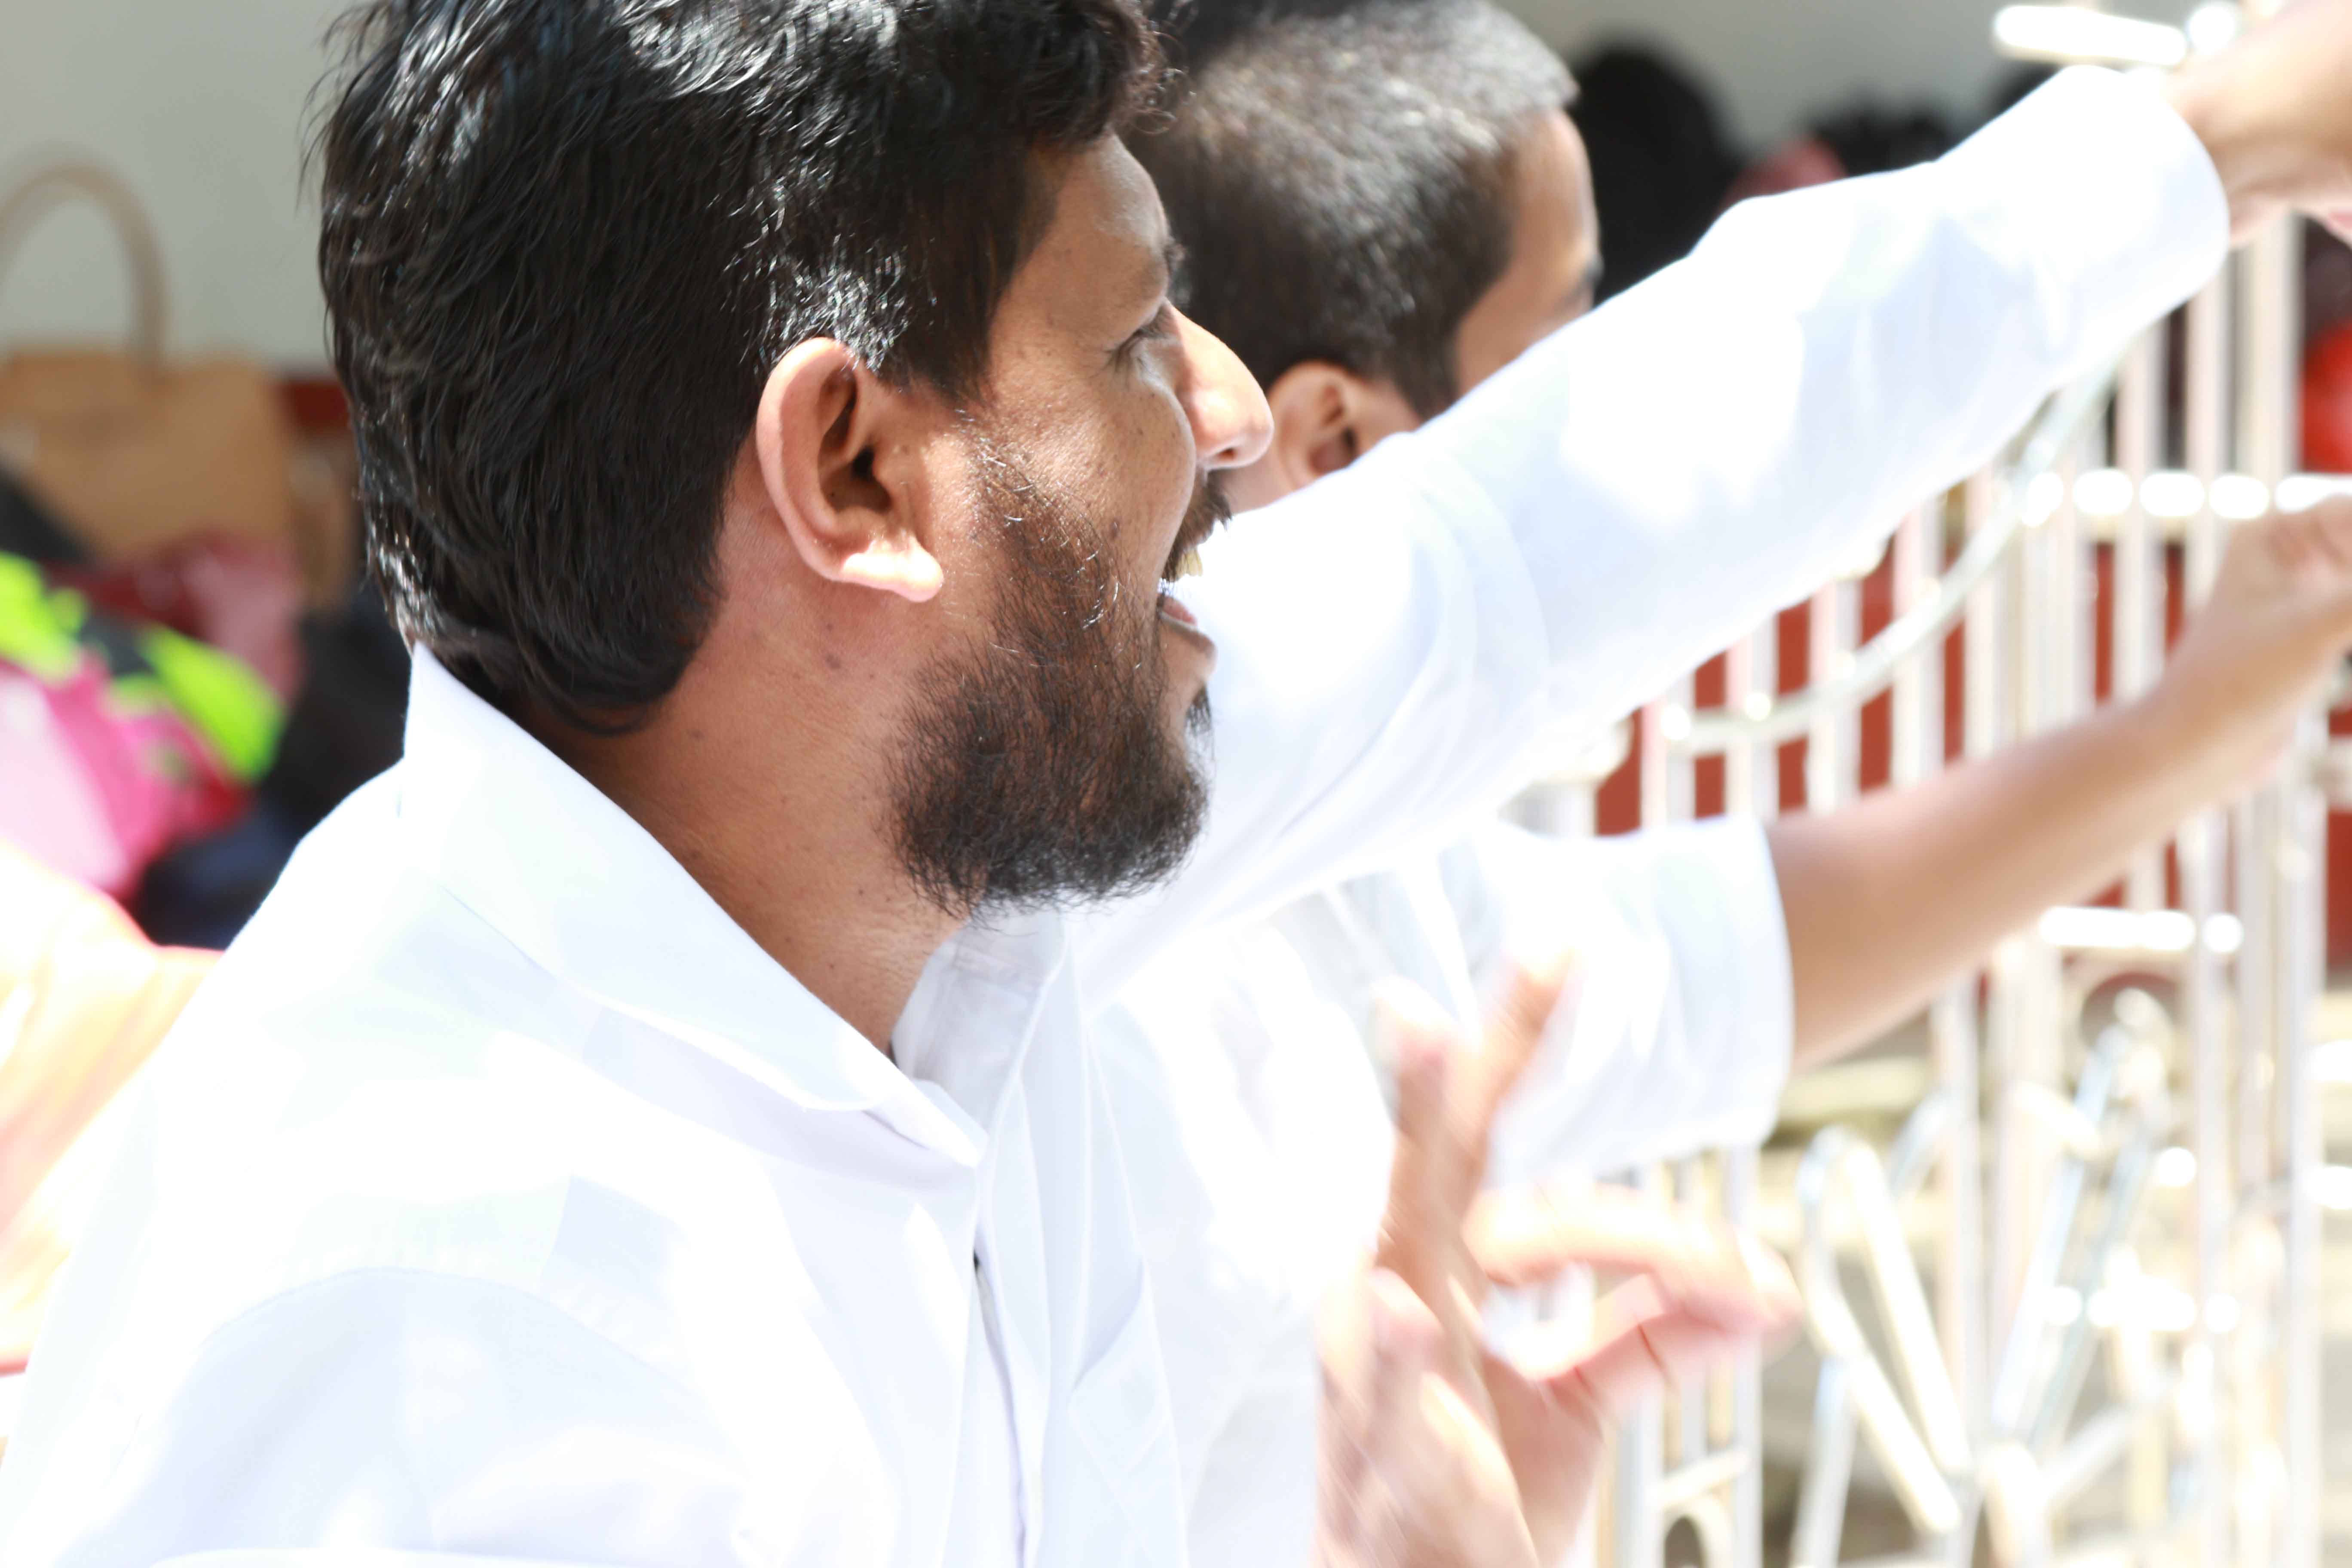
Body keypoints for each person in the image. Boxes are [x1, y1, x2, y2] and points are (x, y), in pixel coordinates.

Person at [6, 0, 2352, 1561]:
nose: (1232, 418)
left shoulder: (887, 842)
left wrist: (2228, 135)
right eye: (1136, 336)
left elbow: (1526, 551)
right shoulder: (481, 1360)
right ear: (855, 470)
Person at [1106, 2, 2352, 1559]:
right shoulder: (1084, 890)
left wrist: (2188, 736)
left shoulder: (1305, 874)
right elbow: (1641, 474)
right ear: (1337, 443)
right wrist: (2222, 140)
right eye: (1575, 333)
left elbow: (1712, 960)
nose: (1208, 414)